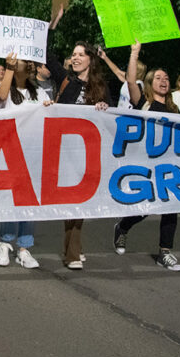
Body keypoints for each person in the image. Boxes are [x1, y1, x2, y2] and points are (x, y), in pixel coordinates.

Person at [40, 18, 109, 270]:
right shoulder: (65, 80)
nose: (76, 58)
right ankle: (72, 253)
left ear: (91, 59)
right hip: (65, 151)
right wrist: (52, 27)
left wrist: (104, 107)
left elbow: (110, 117)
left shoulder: (101, 85)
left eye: (81, 54)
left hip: (89, 152)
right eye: (73, 54)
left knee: (81, 201)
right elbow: (47, 56)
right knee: (72, 200)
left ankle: (73, 249)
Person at [112, 41, 180, 271]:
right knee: (146, 208)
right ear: (151, 84)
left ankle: (165, 252)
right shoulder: (144, 104)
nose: (164, 81)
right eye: (159, 78)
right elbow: (131, 81)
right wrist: (134, 53)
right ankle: (123, 227)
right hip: (146, 163)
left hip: (169, 164)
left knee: (170, 207)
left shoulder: (175, 110)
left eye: (166, 78)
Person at [0, 53, 49, 269]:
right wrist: (9, 68)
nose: (32, 64)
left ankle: (25, 248)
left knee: (29, 200)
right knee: (10, 199)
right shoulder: (2, 88)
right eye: (27, 60)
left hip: (33, 153)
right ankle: (5, 243)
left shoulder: (40, 91)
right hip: (9, 153)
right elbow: (1, 97)